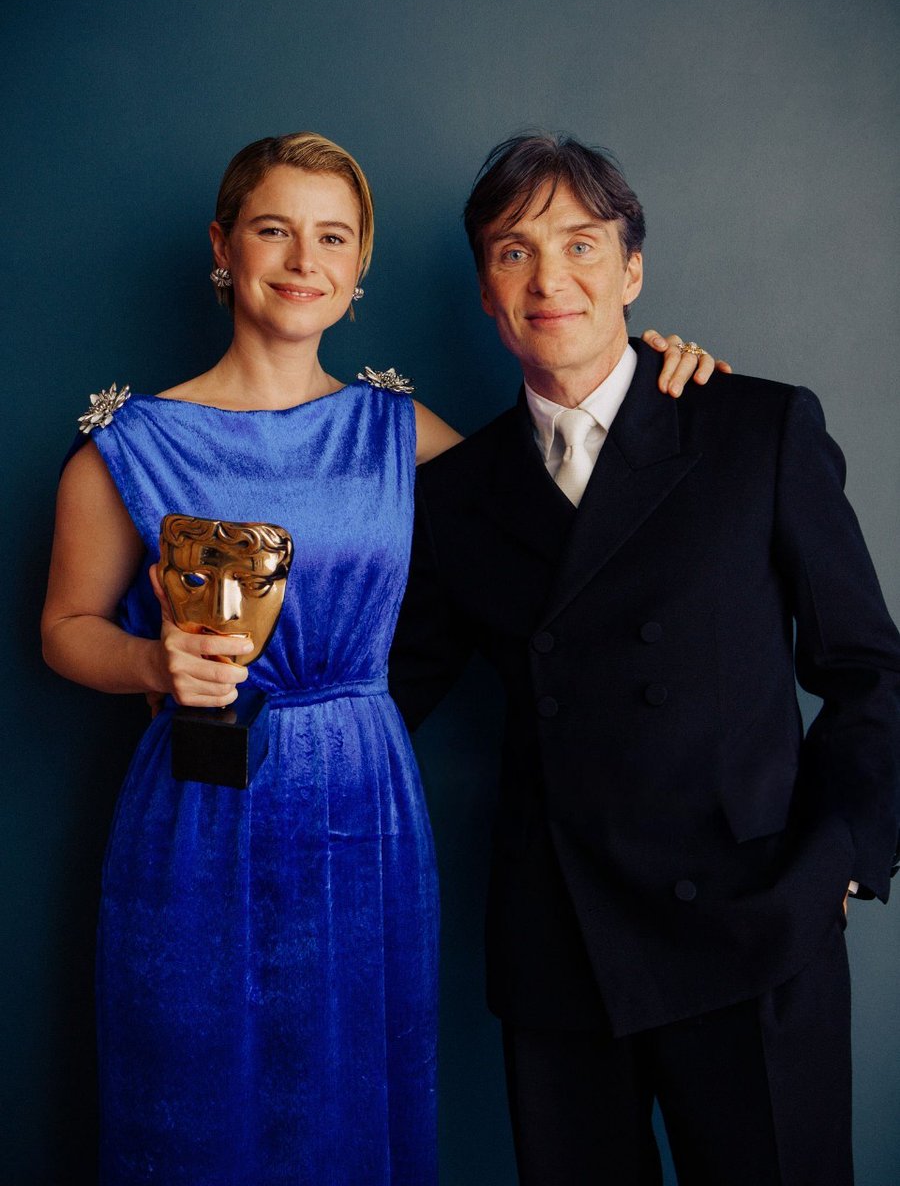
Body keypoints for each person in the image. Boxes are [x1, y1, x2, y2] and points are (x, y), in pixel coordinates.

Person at [40, 129, 716, 1185]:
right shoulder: (128, 442)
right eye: (275, 230)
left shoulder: (400, 433)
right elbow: (65, 628)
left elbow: (574, 521)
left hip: (362, 795)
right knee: (194, 1078)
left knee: (351, 1082)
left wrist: (655, 375)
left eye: (333, 237)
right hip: (197, 800)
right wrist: (150, 667)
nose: (304, 258)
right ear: (225, 248)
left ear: (360, 273)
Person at [389, 132, 900, 1185]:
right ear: (485, 290)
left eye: (581, 243)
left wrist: (843, 856)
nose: (550, 278)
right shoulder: (459, 491)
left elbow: (868, 670)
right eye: (513, 251)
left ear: (632, 269)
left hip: (754, 927)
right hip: (559, 948)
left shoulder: (757, 427)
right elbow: (385, 693)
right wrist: (220, 694)